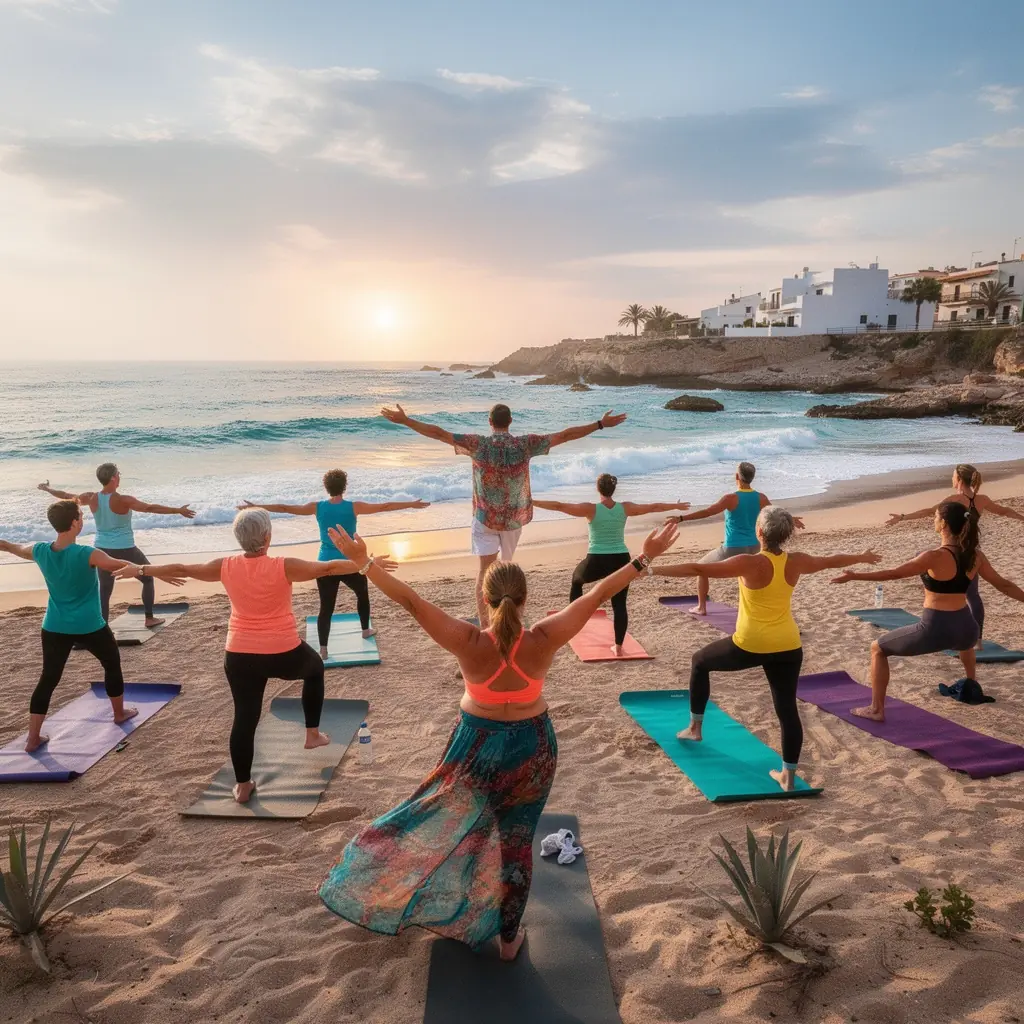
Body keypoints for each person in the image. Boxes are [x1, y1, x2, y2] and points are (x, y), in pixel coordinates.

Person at [319, 520, 679, 960]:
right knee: (515, 842)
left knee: (454, 821)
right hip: (533, 748)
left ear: (485, 600)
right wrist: (644, 558)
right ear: (524, 601)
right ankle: (509, 939)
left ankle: (452, 907)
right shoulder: (544, 638)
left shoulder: (468, 640)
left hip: (476, 747)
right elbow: (598, 595)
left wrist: (365, 564)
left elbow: (413, 603)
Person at [118, 508, 396, 803]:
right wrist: (366, 563)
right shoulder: (282, 565)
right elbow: (326, 568)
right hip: (283, 650)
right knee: (314, 668)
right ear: (267, 536)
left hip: (239, 654)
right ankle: (312, 735)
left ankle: (242, 785)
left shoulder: (224, 566)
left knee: (245, 718)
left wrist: (141, 570)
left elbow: (184, 568)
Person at [652, 507, 879, 791]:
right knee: (786, 710)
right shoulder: (796, 561)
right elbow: (829, 561)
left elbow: (699, 569)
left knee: (700, 662)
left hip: (750, 644)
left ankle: (696, 728)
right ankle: (788, 776)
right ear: (785, 536)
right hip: (788, 645)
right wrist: (862, 557)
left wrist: (650, 569)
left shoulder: (750, 563)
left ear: (759, 532)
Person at [380, 401, 627, 623]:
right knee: (506, 570)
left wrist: (406, 420)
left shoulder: (477, 444)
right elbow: (565, 435)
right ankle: (510, 619)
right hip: (513, 520)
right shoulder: (524, 444)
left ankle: (488, 627)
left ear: (490, 422)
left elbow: (438, 433)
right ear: (510, 422)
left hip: (485, 519)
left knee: (484, 573)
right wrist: (599, 424)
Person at [0, 501, 178, 752]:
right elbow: (119, 565)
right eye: (80, 516)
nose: (82, 520)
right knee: (112, 663)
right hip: (89, 625)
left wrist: (3, 543)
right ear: (74, 523)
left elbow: (12, 547)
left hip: (54, 626)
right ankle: (119, 714)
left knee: (48, 679)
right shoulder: (87, 554)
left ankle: (32, 738)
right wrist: (157, 572)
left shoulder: (39, 550)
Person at [834, 501, 1024, 722]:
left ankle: (876, 709)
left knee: (877, 648)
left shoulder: (932, 556)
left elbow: (893, 574)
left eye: (935, 516)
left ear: (943, 523)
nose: (933, 520)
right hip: (967, 629)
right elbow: (1005, 585)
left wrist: (855, 576)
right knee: (965, 644)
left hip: (936, 629)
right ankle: (971, 683)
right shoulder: (976, 556)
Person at [238, 469, 429, 658]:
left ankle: (323, 649)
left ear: (326, 487)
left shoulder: (317, 507)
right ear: (344, 487)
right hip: (351, 563)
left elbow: (285, 508)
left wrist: (255, 507)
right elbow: (385, 506)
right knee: (362, 595)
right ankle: (365, 630)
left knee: (326, 607)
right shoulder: (354, 506)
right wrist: (411, 504)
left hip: (325, 564)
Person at [534, 473, 691, 655]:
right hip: (621, 560)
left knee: (577, 581)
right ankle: (617, 647)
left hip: (596, 560)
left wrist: (531, 502)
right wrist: (676, 506)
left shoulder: (590, 509)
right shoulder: (625, 508)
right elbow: (653, 506)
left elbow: (559, 506)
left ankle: (573, 623)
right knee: (619, 603)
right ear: (613, 489)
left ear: (597, 488)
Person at [38, 464, 195, 629]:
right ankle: (149, 618)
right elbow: (149, 508)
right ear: (113, 478)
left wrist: (48, 489)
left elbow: (65, 495)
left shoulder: (91, 497)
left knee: (105, 590)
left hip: (101, 549)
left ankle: (102, 626)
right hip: (126, 549)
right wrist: (177, 510)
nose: (120, 476)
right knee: (147, 579)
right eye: (118, 474)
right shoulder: (123, 500)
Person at [886, 463, 1024, 649]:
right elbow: (1005, 511)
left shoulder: (954, 499)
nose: (951, 479)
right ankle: (978, 641)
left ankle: (945, 629)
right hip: (971, 550)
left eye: (952, 476)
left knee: (949, 587)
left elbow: (929, 511)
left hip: (952, 551)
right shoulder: (981, 499)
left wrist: (902, 517)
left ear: (958, 479)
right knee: (973, 595)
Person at [669, 462, 804, 615]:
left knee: (701, 569)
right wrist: (792, 519)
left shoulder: (731, 498)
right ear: (752, 478)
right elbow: (775, 515)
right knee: (749, 576)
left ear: (737, 477)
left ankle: (701, 608)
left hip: (732, 548)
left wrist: (681, 518)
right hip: (755, 547)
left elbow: (707, 512)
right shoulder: (761, 498)